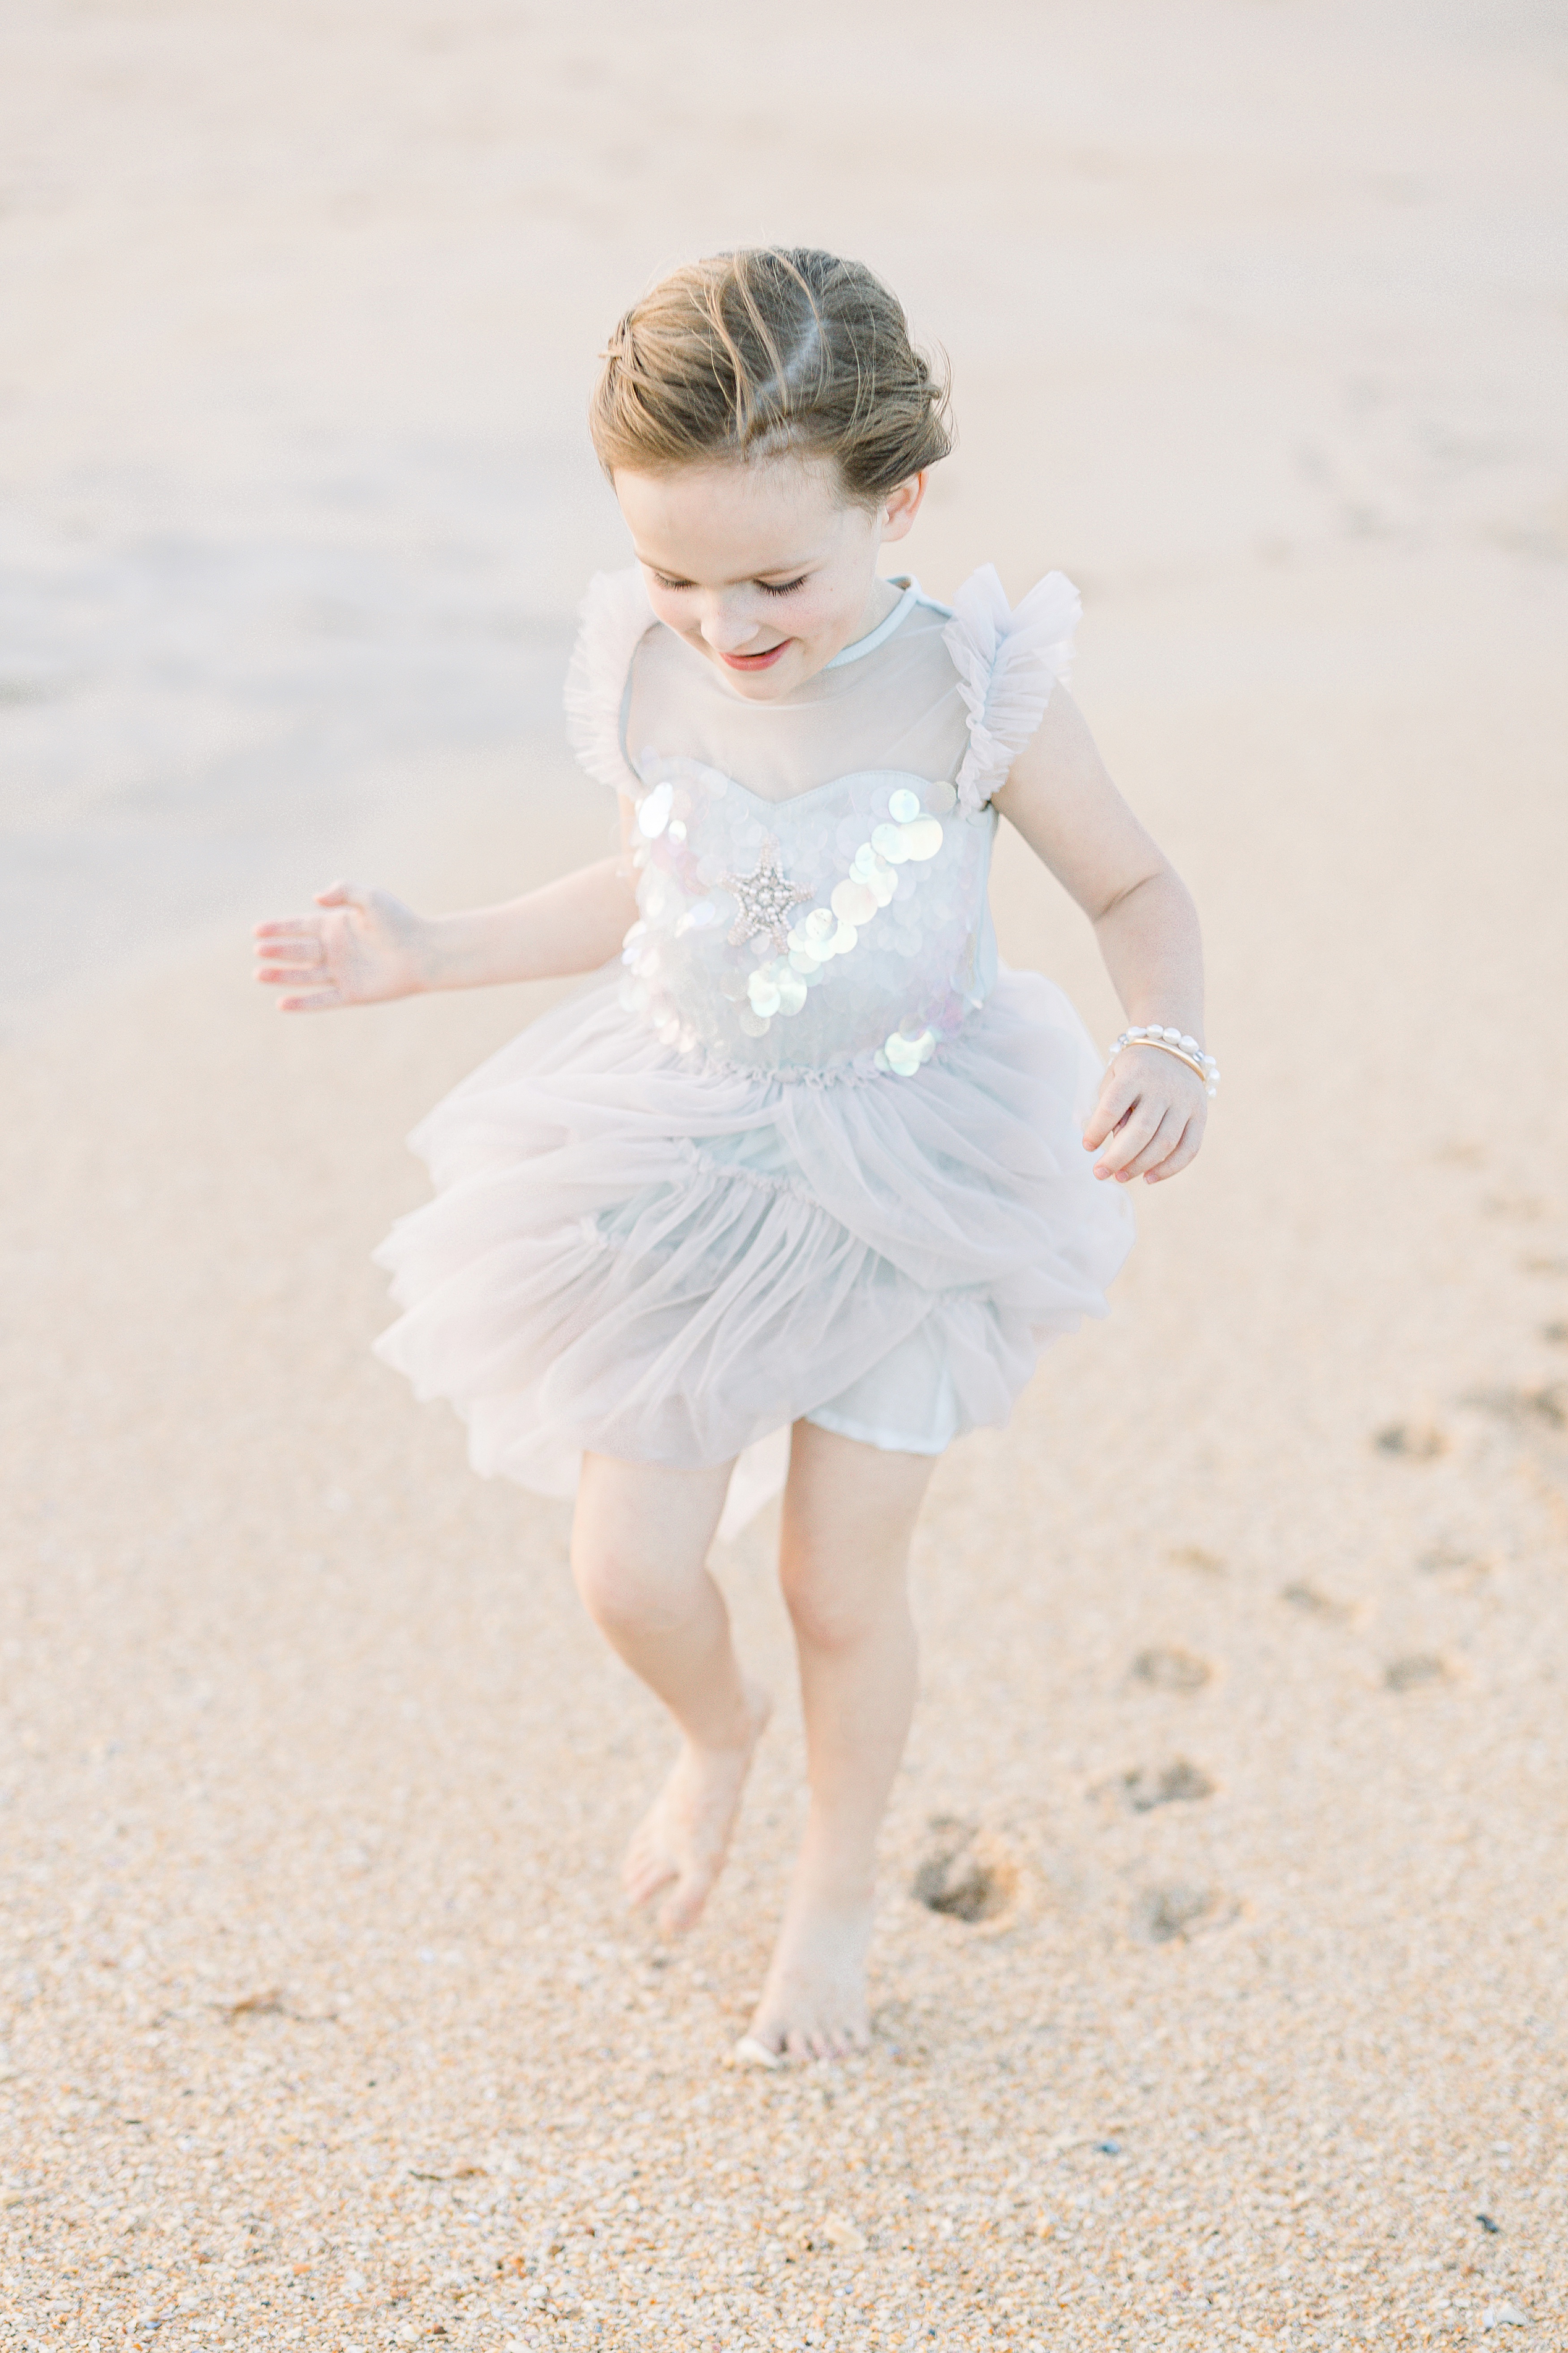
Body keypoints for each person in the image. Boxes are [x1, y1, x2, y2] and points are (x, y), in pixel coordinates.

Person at [254, 248, 1215, 2065]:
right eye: (674, 574)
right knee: (627, 1573)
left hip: (915, 1164)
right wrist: (430, 948)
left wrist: (1163, 1036)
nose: (724, 624)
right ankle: (714, 1736)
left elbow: (1134, 886)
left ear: (899, 498)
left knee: (836, 1583)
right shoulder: (655, 662)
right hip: (682, 1145)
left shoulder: (974, 691)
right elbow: (664, 876)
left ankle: (829, 1900)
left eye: (776, 576)